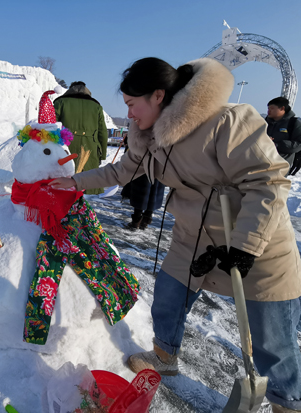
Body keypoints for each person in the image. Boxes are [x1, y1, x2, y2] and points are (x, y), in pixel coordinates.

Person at [51, 57, 301, 413]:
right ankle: (164, 355)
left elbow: (269, 181)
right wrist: (74, 181)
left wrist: (245, 246)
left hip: (256, 240)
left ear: (157, 96)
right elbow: (122, 170)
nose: (130, 114)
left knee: (271, 337)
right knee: (168, 297)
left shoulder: (226, 121)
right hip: (194, 238)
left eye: (131, 105)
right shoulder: (148, 136)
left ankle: (287, 402)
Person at [54, 81, 108, 195]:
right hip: (90, 150)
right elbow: (102, 132)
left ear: (70, 89)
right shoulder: (96, 106)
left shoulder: (60, 102)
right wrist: (102, 155)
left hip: (65, 148)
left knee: (64, 183)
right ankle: (82, 209)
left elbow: (51, 126)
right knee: (86, 182)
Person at [266, 96, 301, 172]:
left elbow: (298, 144)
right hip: (260, 163)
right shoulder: (263, 122)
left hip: (280, 167)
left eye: (271, 108)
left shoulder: (293, 123)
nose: (269, 111)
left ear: (282, 108)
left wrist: (276, 145)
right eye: (268, 108)